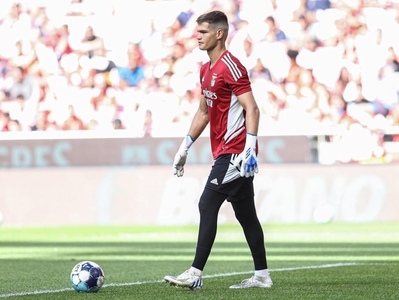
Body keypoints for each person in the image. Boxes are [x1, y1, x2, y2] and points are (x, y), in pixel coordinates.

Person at [163, 10, 272, 290]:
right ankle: (262, 276)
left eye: (203, 32)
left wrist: (250, 148)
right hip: (224, 150)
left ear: (219, 34)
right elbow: (203, 111)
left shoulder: (231, 66)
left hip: (236, 152)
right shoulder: (205, 69)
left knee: (206, 203)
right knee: (246, 214)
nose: (197, 37)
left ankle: (194, 273)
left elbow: (252, 108)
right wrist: (184, 146)